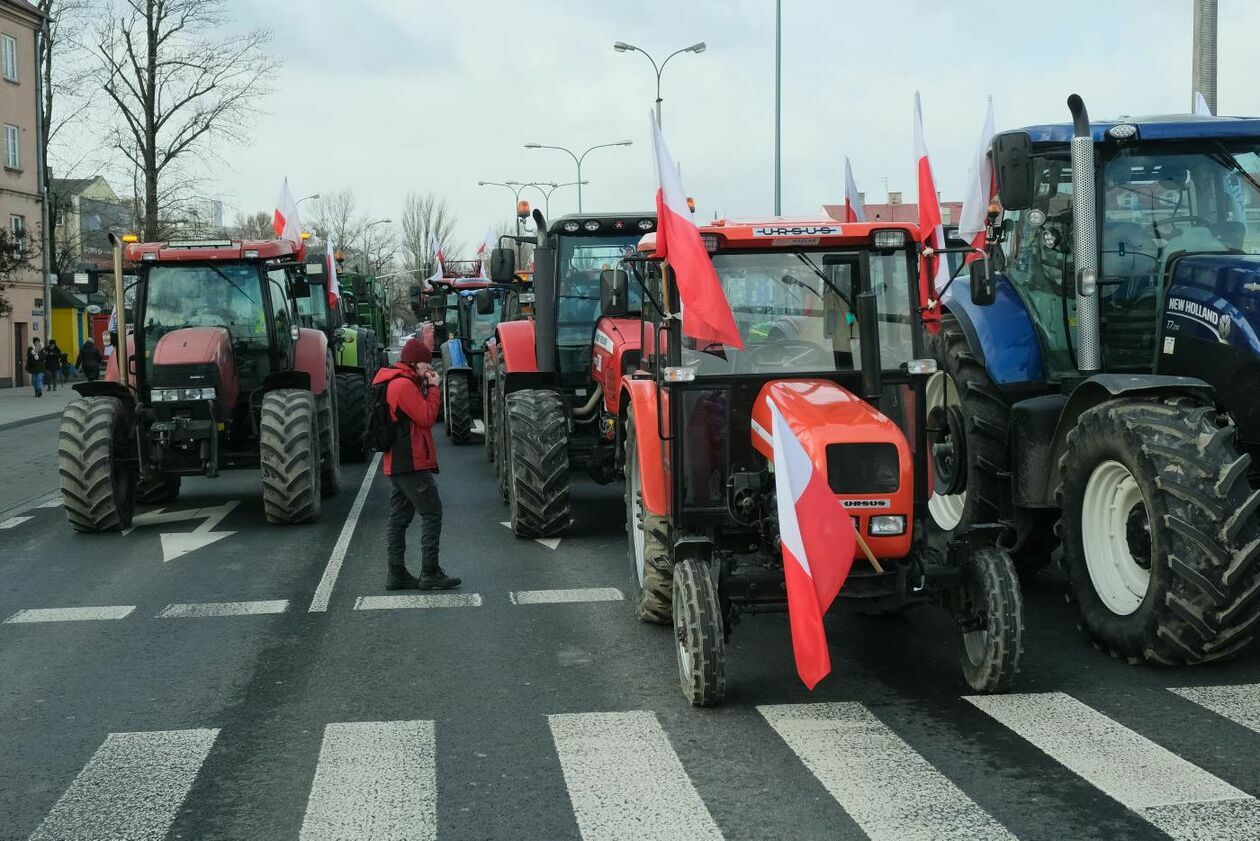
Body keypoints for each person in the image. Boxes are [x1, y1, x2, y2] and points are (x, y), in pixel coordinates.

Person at [372, 337, 461, 591]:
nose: (428, 370)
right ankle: (430, 572)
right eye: (425, 365)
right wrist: (434, 388)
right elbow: (426, 416)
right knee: (432, 513)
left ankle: (397, 574)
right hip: (410, 463)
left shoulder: (399, 381)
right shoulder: (402, 386)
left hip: (399, 463)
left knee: (398, 519)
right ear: (413, 363)